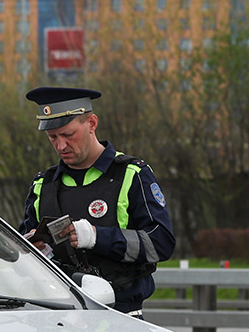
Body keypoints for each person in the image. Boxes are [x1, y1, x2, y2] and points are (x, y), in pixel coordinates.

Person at [18, 86, 174, 316]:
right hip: (59, 319)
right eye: (53, 137)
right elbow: (21, 254)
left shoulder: (131, 174)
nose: (60, 146)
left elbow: (160, 243)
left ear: (91, 123)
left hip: (122, 319)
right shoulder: (43, 184)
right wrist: (33, 250)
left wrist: (96, 237)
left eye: (69, 135)